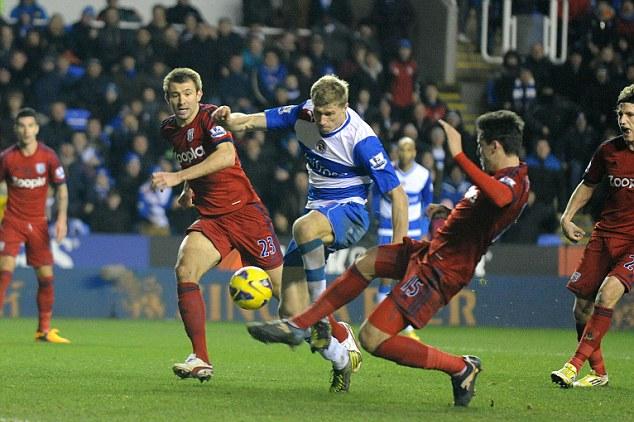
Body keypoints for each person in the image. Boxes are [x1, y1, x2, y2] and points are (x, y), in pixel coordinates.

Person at [246, 110, 530, 406]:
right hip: (430, 250)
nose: (479, 153)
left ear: (495, 145)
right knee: (368, 261)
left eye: (481, 146)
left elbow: (501, 198)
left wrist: (457, 155)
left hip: (442, 270)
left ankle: (460, 367)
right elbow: (487, 209)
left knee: (372, 338)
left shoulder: (513, 182)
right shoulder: (503, 178)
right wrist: (452, 214)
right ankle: (301, 324)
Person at [213, 74, 408, 392]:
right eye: (319, 113)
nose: (322, 120)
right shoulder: (303, 113)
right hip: (317, 213)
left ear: (345, 107)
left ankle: (319, 314)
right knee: (289, 309)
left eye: (330, 113)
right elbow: (248, 122)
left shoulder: (362, 139)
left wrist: (399, 251)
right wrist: (228, 118)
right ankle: (342, 360)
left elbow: (397, 195)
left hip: (350, 213)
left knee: (303, 228)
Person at [151, 67, 283, 382]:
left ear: (199, 95)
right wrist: (188, 190)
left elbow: (225, 156)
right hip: (213, 218)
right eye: (174, 95)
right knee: (185, 270)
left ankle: (337, 334)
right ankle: (201, 358)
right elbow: (191, 158)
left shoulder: (211, 118)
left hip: (245, 214)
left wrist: (178, 178)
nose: (181, 101)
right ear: (167, 99)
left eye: (187, 94)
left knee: (289, 298)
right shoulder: (169, 129)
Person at [550, 84, 634, 389]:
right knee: (581, 309)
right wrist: (567, 216)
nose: (624, 121)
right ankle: (599, 372)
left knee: (607, 294)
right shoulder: (608, 151)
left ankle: (572, 366)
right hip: (604, 236)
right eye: (621, 114)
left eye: (630, 115)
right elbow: (588, 184)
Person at [0, 108, 69, 343]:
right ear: (16, 129)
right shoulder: (7, 158)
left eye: (30, 126)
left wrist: (61, 219)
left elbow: (61, 188)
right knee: (4, 270)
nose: (26, 130)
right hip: (12, 220)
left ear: (37, 129)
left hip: (38, 224)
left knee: (46, 278)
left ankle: (44, 330)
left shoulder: (48, 157)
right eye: (22, 126)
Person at [374, 136, 433, 341]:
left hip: (413, 232)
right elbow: (375, 196)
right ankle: (380, 324)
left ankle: (405, 326)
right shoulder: (386, 170)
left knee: (409, 276)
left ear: (415, 152)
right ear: (396, 151)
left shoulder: (424, 175)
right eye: (401, 149)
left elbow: (428, 204)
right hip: (387, 229)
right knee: (386, 274)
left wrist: (426, 229)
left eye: (408, 149)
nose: (405, 153)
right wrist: (376, 217)